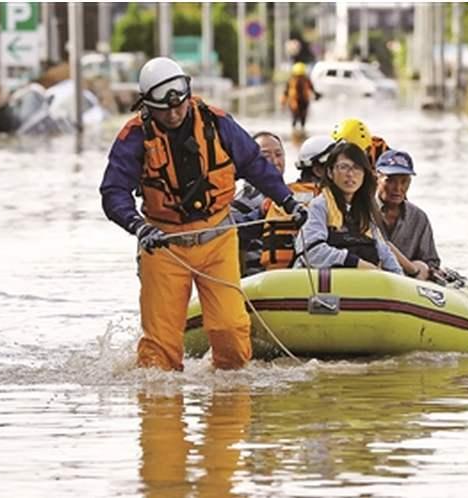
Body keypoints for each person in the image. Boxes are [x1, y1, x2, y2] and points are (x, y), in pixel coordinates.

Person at [99, 57, 307, 371]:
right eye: (164, 109)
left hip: (218, 241)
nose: (173, 113)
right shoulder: (134, 138)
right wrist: (137, 226)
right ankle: (161, 413)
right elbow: (113, 192)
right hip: (164, 245)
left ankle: (227, 411)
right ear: (147, 106)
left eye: (178, 105)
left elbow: (255, 166)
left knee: (231, 333)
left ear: (187, 94)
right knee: (160, 354)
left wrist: (288, 202)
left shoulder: (218, 123)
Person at [293, 141, 402, 273]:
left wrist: (398, 277)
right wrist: (355, 263)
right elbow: (310, 251)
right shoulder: (319, 205)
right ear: (330, 172)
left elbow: (384, 253)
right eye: (344, 167)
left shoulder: (366, 210)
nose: (350, 174)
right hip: (325, 287)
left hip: (363, 286)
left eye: (357, 168)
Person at [258, 135, 337, 270]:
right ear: (318, 170)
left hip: (274, 276)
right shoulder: (327, 199)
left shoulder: (279, 196)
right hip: (308, 273)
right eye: (338, 167)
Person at [375, 149, 440, 281]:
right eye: (391, 181)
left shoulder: (418, 218)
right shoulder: (361, 212)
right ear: (377, 178)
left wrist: (418, 269)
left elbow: (431, 262)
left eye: (404, 181)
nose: (398, 188)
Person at [231, 131, 286, 276]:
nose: (274, 162)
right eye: (266, 156)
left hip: (291, 280)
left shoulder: (296, 199)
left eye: (278, 154)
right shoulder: (238, 204)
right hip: (255, 281)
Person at [282, 62, 320, 130]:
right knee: (295, 118)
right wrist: (283, 101)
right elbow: (286, 92)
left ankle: (300, 131)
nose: (299, 78)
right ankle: (295, 131)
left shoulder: (306, 80)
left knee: (302, 118)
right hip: (294, 102)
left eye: (301, 76)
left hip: (303, 102)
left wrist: (316, 95)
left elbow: (312, 89)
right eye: (298, 76)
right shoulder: (291, 81)